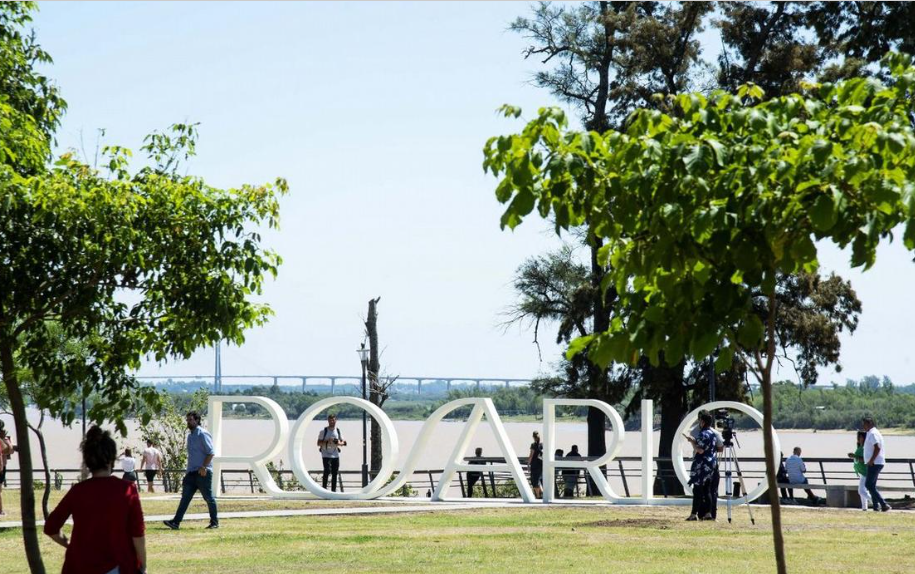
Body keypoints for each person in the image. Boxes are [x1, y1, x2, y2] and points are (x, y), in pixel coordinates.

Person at [43, 425, 147, 574]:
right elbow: (138, 533)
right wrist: (143, 565)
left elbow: (51, 527)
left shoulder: (77, 491)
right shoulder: (127, 490)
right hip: (117, 566)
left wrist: (70, 545)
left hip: (78, 566)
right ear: (111, 459)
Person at [163, 411, 219, 530]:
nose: (188, 422)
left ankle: (214, 522)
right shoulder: (190, 436)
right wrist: (188, 472)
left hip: (202, 472)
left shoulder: (203, 434)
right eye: (187, 420)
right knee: (185, 498)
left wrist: (204, 467)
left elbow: (211, 453)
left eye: (190, 420)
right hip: (191, 473)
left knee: (208, 498)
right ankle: (175, 522)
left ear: (197, 420)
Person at [684, 412, 717, 521]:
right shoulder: (712, 434)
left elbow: (700, 450)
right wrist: (694, 441)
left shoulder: (702, 434)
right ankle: (708, 513)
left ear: (702, 422)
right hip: (710, 463)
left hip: (701, 465)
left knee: (697, 490)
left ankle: (693, 514)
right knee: (707, 489)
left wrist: (691, 442)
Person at [862, 416, 891, 512]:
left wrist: (871, 460)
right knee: (872, 485)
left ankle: (883, 504)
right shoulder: (871, 433)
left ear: (870, 424)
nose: (863, 426)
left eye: (865, 424)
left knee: (868, 485)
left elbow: (877, 447)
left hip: (875, 463)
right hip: (875, 462)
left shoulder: (873, 433)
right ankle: (876, 506)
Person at [317, 413, 346, 492]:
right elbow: (318, 443)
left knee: (335, 473)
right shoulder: (324, 431)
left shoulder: (338, 431)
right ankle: (324, 490)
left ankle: (333, 491)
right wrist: (327, 441)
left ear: (336, 420)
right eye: (330, 420)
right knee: (327, 471)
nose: (332, 422)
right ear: (328, 421)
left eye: (333, 420)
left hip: (335, 454)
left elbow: (344, 442)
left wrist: (338, 442)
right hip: (325, 454)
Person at [848, 431, 872, 511]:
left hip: (865, 472)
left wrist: (854, 456)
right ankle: (864, 508)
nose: (858, 438)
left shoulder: (865, 448)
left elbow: (865, 459)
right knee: (863, 491)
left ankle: (877, 502)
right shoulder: (860, 447)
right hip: (861, 472)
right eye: (858, 437)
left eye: (860, 437)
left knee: (861, 491)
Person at [0, 421, 16, 517]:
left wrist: (2, 439)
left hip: (1, 466)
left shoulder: (4, 438)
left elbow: (10, 450)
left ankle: (1, 510)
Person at [528, 431, 544, 498]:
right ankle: (541, 493)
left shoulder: (533, 445)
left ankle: (538, 495)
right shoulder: (542, 445)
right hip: (541, 464)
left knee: (534, 480)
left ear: (533, 437)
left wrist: (528, 463)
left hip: (534, 464)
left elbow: (531, 455)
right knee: (539, 479)